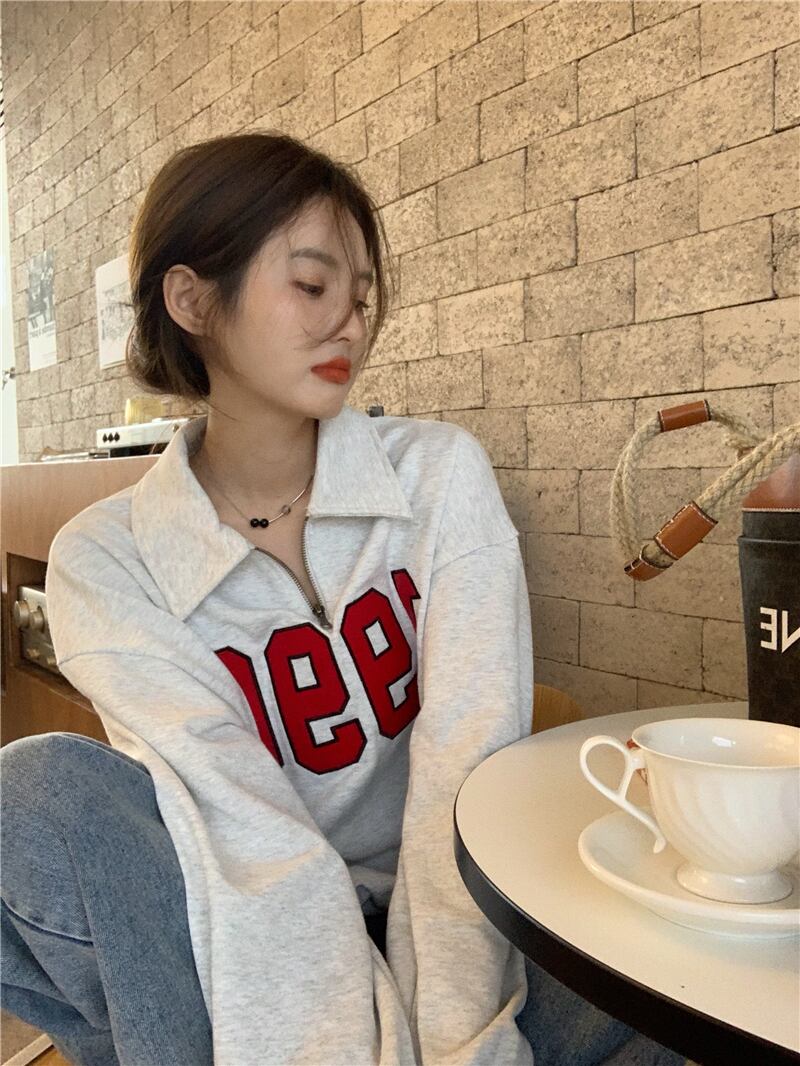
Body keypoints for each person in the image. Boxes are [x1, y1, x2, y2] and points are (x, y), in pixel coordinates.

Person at [0, 131, 685, 1066]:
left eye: (361, 298)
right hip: (242, 946)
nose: (350, 326)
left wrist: (459, 1045)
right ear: (192, 300)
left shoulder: (439, 478)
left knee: (687, 932)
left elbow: (464, 770)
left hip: (456, 919)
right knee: (31, 797)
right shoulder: (110, 561)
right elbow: (247, 840)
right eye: (312, 285)